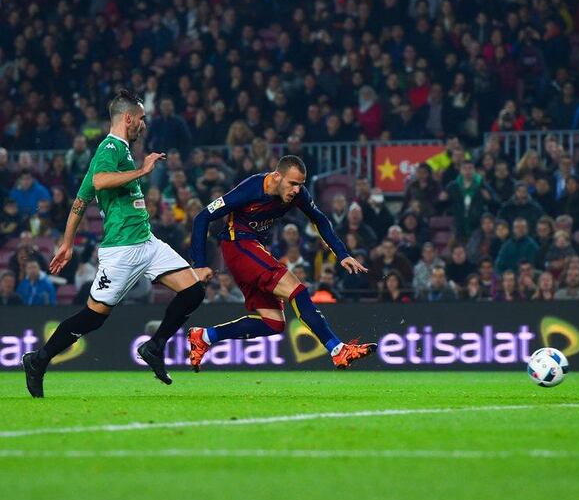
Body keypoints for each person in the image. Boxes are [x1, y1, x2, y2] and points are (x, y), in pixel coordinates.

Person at [22, 90, 208, 398]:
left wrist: (67, 242)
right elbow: (98, 182)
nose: (144, 125)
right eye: (142, 119)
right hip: (122, 250)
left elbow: (81, 199)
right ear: (128, 118)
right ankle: (39, 359)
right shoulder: (110, 147)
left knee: (193, 290)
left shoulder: (118, 150)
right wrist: (142, 171)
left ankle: (155, 346)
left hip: (147, 242)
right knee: (93, 317)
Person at [186, 155, 376, 371]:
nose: (296, 190)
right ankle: (338, 350)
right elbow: (202, 217)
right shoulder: (251, 188)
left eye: (301, 185)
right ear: (277, 177)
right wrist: (199, 264)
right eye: (292, 183)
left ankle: (205, 336)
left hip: (253, 249)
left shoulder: (298, 195)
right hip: (238, 246)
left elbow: (319, 219)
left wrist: (342, 254)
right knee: (298, 291)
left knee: (273, 323)